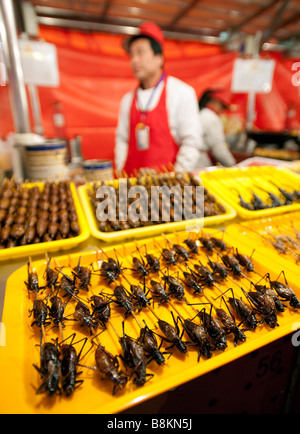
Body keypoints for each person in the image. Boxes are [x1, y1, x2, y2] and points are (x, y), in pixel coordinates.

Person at [115, 21, 204, 176]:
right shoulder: (127, 100)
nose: (134, 60)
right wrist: (121, 170)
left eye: (140, 52)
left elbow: (191, 143)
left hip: (167, 189)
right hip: (132, 187)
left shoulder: (181, 93)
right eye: (132, 54)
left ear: (159, 58)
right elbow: (122, 140)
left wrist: (174, 180)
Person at [196, 89, 236, 167]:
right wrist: (233, 165)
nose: (222, 110)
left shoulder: (201, 113)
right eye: (222, 106)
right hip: (200, 163)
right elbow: (219, 149)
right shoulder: (212, 118)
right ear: (215, 101)